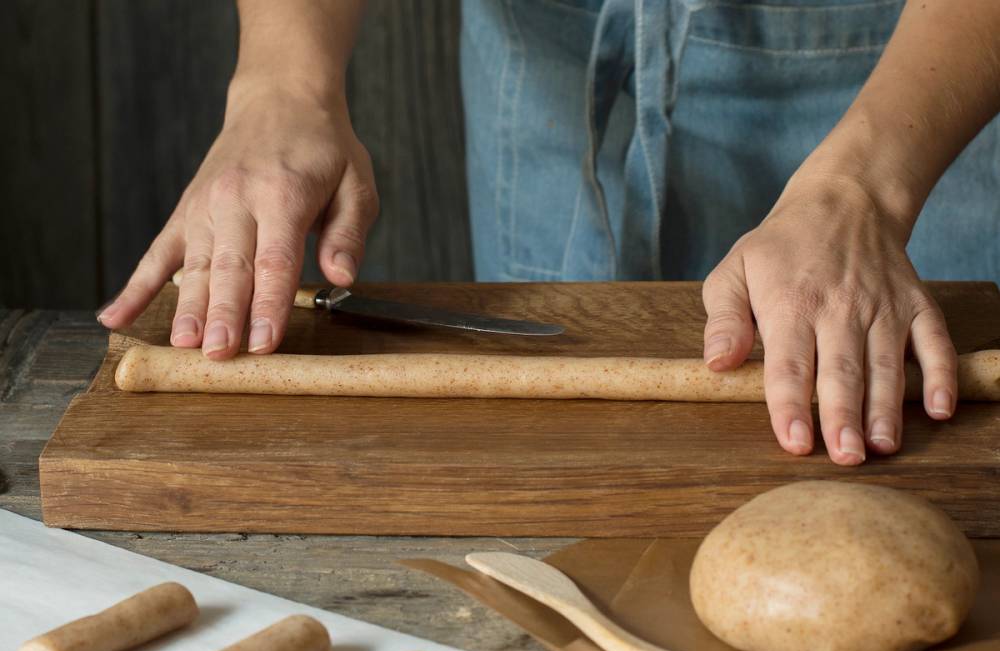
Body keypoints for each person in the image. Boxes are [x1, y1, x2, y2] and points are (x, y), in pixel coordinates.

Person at [96, 0, 1000, 466]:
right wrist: (280, 82)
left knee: (904, 434)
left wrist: (867, 191)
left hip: (915, 76)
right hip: (555, 62)